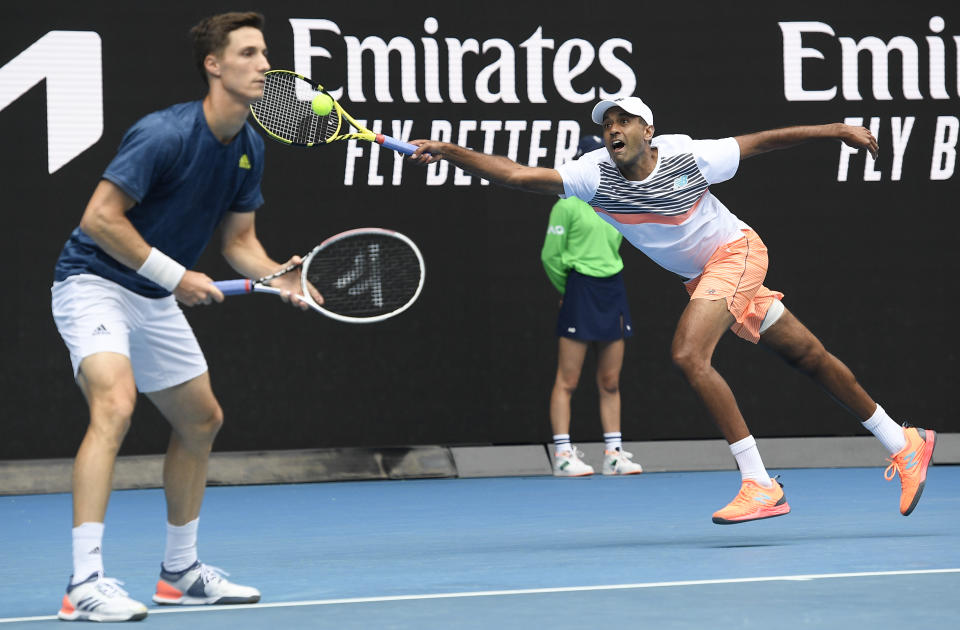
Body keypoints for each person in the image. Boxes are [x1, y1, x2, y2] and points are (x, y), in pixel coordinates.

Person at [409, 97, 936, 524]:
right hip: (703, 278)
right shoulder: (593, 174)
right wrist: (449, 151)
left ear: (648, 129)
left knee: (688, 353)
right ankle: (902, 440)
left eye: (624, 120)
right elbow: (519, 177)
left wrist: (834, 130)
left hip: (737, 252)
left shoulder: (688, 155)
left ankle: (759, 483)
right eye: (607, 123)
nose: (613, 129)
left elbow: (761, 142)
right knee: (807, 355)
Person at [50, 12, 320, 622]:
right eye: (248, 53)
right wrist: (177, 277)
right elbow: (99, 218)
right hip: (93, 283)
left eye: (265, 53)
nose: (263, 65)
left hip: (149, 296)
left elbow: (239, 243)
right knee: (114, 404)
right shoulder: (163, 135)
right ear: (214, 64)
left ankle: (179, 572)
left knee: (201, 420)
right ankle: (84, 582)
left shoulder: (250, 145)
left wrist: (280, 275)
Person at [542, 135, 643, 477]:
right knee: (567, 380)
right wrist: (567, 289)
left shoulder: (614, 200)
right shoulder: (565, 204)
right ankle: (562, 455)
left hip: (612, 289)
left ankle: (613, 454)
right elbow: (551, 257)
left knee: (611, 380)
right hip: (580, 289)